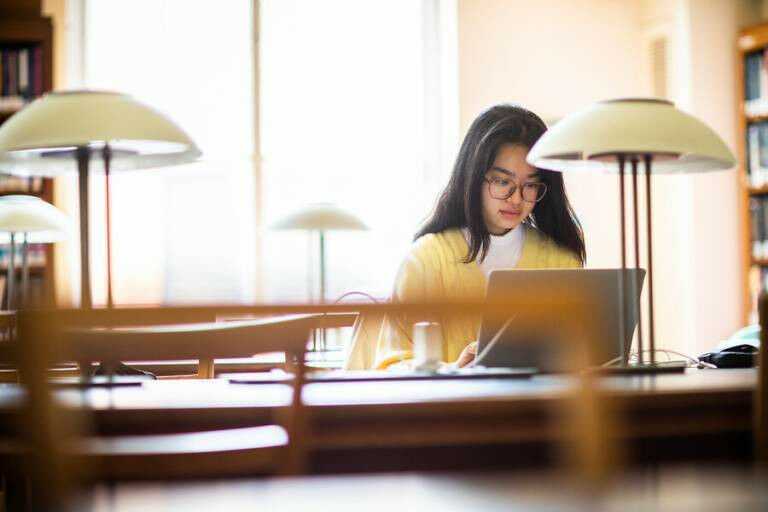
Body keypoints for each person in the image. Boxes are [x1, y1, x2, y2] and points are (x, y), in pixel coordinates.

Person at [344, 104, 585, 370]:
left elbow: (582, 358)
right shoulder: (426, 260)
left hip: (535, 408)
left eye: (530, 185)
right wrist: (454, 370)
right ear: (471, 178)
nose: (516, 199)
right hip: (451, 410)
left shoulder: (561, 261)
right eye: (502, 182)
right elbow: (391, 365)